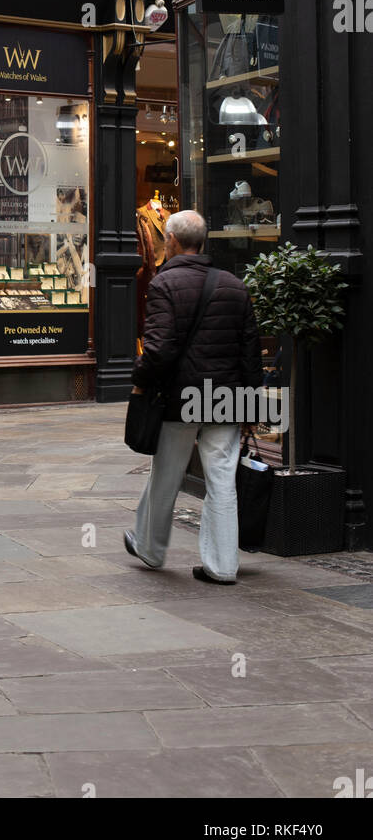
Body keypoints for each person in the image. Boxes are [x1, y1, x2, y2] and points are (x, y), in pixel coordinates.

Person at [125, 209, 262, 585]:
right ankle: (222, 566)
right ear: (203, 241)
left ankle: (151, 549)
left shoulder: (164, 285)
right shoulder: (234, 284)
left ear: (169, 240)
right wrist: (252, 404)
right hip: (226, 396)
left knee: (167, 473)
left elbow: (159, 349)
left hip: (180, 395)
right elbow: (249, 351)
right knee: (221, 478)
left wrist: (139, 380)